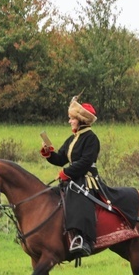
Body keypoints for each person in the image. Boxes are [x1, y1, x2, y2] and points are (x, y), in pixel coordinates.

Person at [41, 96, 101, 257]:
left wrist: (66, 173)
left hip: (87, 178)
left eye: (72, 118)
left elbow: (85, 162)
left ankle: (83, 239)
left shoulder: (91, 139)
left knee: (78, 196)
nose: (69, 121)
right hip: (73, 177)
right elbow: (61, 158)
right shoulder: (73, 138)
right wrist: (49, 154)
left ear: (81, 120)